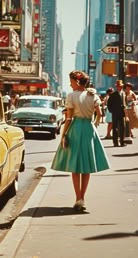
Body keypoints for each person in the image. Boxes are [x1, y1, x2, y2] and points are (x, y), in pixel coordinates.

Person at [51, 70, 110, 211]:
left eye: (71, 81)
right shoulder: (92, 95)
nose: (70, 84)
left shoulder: (71, 96)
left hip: (76, 129)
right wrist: (94, 124)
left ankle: (78, 198)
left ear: (77, 82)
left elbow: (69, 118)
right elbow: (100, 113)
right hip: (89, 129)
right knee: (87, 165)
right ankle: (82, 197)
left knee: (75, 166)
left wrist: (63, 134)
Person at [107, 80, 128, 147]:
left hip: (122, 113)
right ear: (116, 87)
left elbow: (125, 102)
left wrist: (125, 108)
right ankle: (115, 142)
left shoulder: (124, 93)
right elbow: (109, 104)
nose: (119, 87)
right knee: (115, 128)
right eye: (118, 86)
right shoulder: (113, 94)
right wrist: (112, 111)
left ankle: (122, 141)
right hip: (115, 113)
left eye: (121, 86)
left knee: (123, 127)